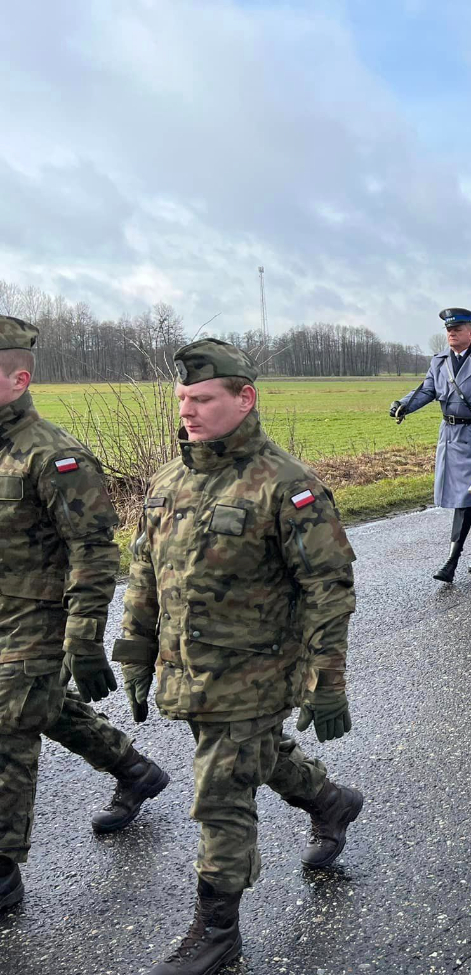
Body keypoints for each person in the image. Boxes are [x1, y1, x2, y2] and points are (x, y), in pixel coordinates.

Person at [115, 338, 363, 975]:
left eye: (202, 399)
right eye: (182, 400)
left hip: (255, 673)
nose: (188, 412)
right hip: (188, 670)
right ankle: (329, 802)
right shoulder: (171, 478)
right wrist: (136, 654)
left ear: (243, 398)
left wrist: (325, 679)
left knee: (220, 792)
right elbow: (144, 573)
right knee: (258, 756)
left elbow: (326, 589)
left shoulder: (287, 486)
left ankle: (217, 930)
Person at [0, 317, 170, 916]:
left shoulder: (54, 457)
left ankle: (2, 870)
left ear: (19, 378)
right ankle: (135, 769)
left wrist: (82, 634)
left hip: (42, 616)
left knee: (8, 721)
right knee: (41, 705)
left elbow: (95, 549)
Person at [391, 308, 471, 582]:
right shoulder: (439, 361)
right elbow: (427, 390)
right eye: (449, 329)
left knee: (466, 498)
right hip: (451, 437)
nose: (452, 333)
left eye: (457, 329)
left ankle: (452, 560)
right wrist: (403, 405)